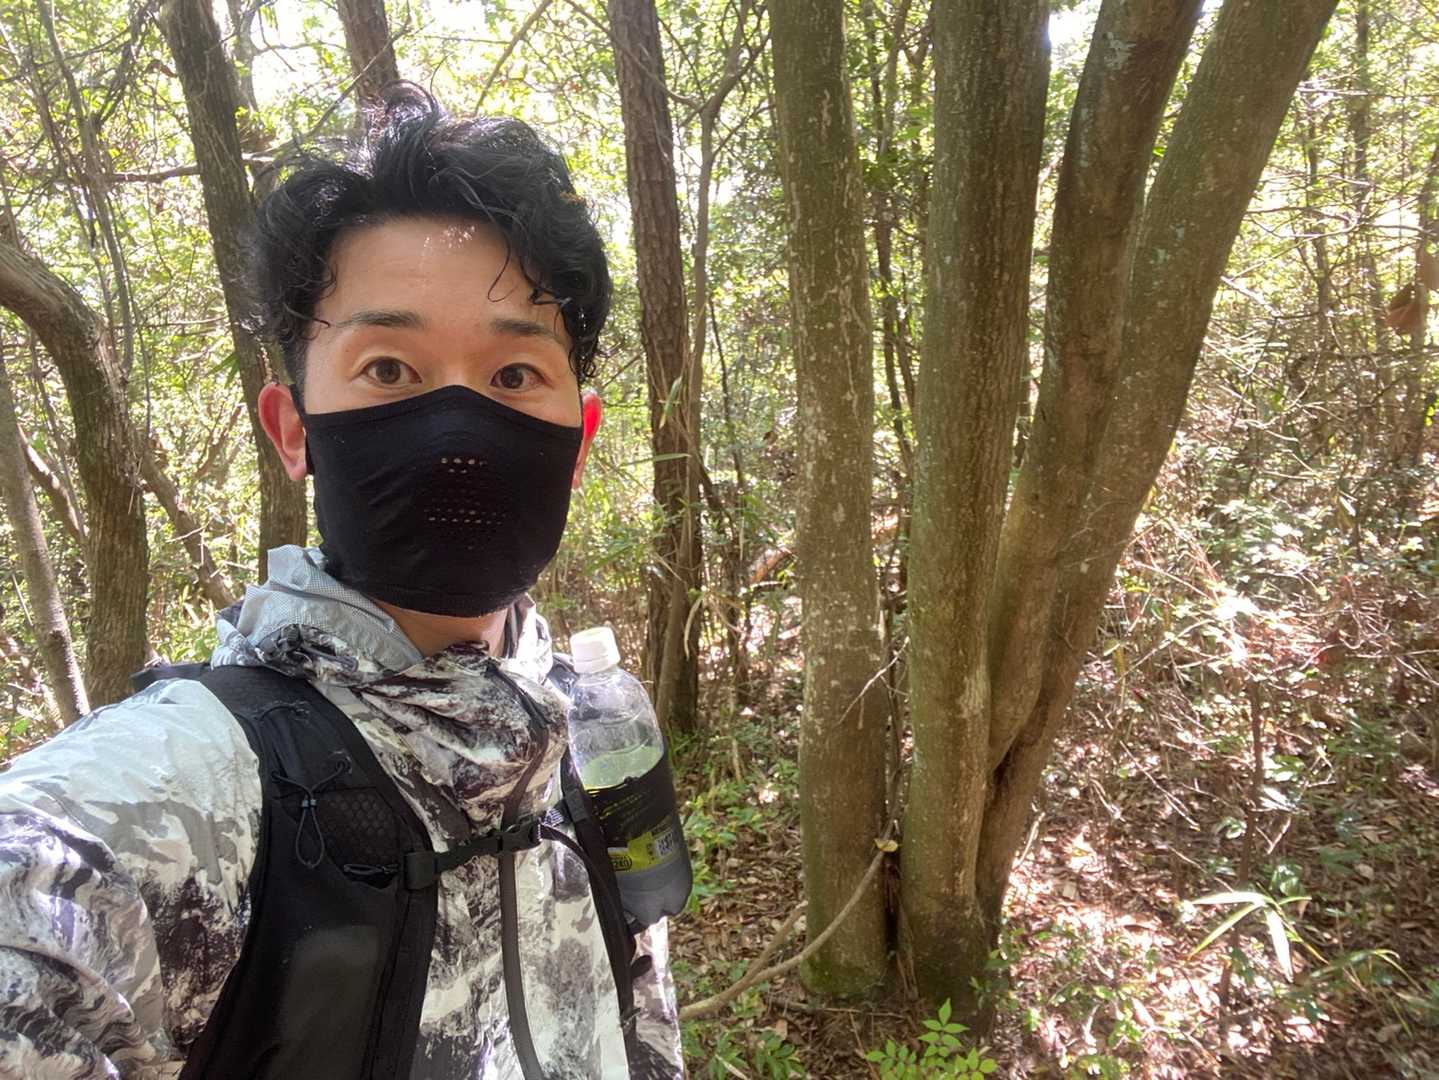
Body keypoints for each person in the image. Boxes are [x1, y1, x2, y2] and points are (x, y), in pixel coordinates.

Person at [0, 85, 683, 1079]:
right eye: (390, 370)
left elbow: (643, 1006)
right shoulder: (192, 791)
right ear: (294, 432)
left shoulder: (588, 732)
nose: (457, 433)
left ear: (578, 442)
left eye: (512, 376)